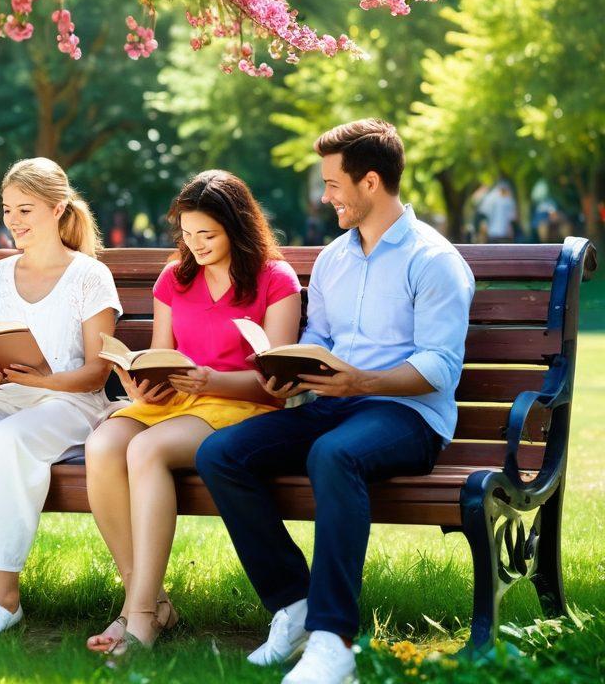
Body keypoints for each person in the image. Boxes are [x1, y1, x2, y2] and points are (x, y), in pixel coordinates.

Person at [194, 119, 474, 684]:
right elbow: (319, 338)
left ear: (370, 182)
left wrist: (361, 383)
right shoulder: (332, 259)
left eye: (332, 184)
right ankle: (294, 604)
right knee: (220, 454)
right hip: (331, 404)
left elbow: (440, 368)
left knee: (334, 454)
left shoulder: (433, 259)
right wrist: (288, 372)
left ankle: (333, 640)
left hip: (408, 416)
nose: (326, 197)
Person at [84, 170, 302, 653]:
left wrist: (212, 380)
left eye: (207, 234)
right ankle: (146, 599)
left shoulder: (274, 278)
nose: (195, 245)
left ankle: (140, 619)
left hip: (242, 404)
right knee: (102, 445)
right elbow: (163, 355)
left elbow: (276, 378)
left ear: (237, 228)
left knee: (146, 449)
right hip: (179, 403)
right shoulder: (175, 277)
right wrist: (144, 385)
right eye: (186, 233)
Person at [0, 157, 121, 638]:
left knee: (10, 440)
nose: (13, 220)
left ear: (58, 209)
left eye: (25, 210)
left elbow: (97, 372)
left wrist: (42, 382)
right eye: (7, 209)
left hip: (71, 404)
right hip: (4, 401)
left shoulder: (89, 276)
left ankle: (4, 597)